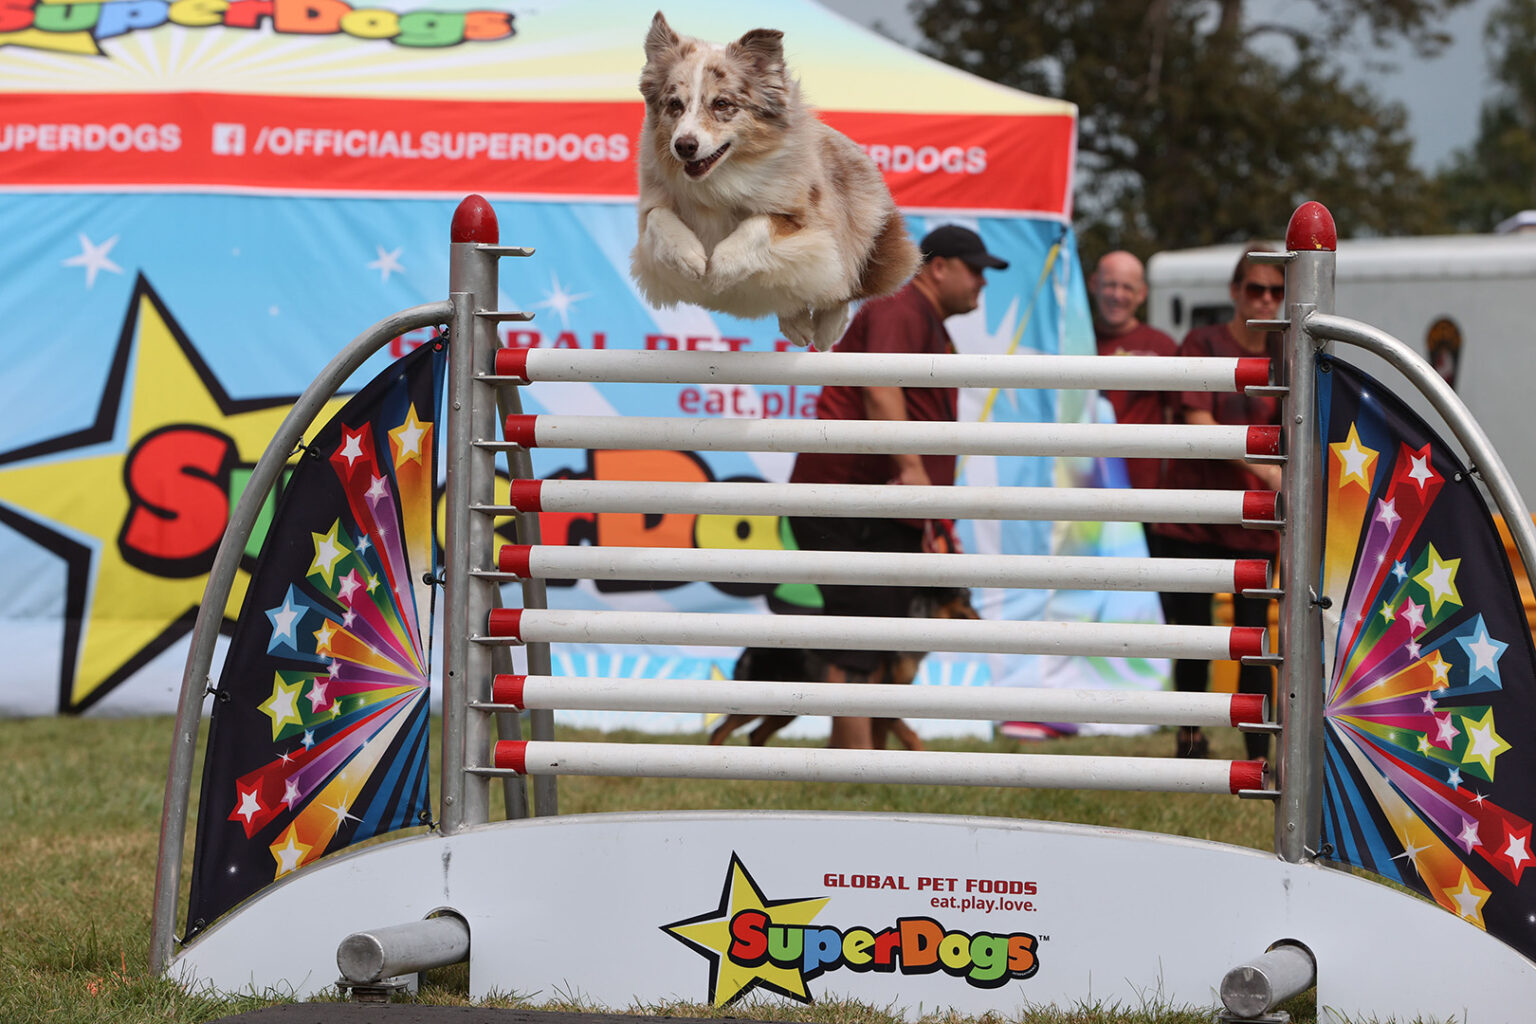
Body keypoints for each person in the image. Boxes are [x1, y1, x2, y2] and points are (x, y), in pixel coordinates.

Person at [786, 224, 1009, 749]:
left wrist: (926, 500)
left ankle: (864, 762)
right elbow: (880, 385)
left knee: (874, 636)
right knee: (858, 638)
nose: (982, 282)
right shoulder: (900, 309)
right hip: (853, 501)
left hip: (876, 504)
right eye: (975, 270)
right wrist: (912, 470)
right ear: (939, 267)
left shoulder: (921, 317)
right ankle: (853, 766)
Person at [1158, 246, 1284, 761]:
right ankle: (1190, 743)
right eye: (1256, 289)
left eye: (1276, 291)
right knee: (1193, 640)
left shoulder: (1290, 353)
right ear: (1235, 292)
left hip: (1254, 522)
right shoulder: (1201, 344)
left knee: (1256, 642)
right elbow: (1196, 420)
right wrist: (1269, 471)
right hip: (1193, 517)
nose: (1266, 299)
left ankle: (1260, 752)